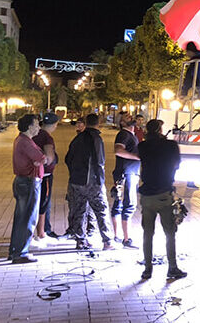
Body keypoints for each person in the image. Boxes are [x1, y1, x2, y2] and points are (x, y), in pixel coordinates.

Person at [137, 119, 186, 280]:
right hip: (164, 193)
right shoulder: (170, 145)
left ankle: (147, 269)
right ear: (160, 129)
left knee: (147, 234)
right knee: (170, 233)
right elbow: (177, 164)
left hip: (146, 196)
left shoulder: (142, 146)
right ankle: (172, 268)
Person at [64, 113, 114, 250]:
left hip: (77, 181)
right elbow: (100, 161)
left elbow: (68, 158)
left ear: (86, 123)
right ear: (99, 122)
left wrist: (74, 173)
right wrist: (100, 179)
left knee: (79, 210)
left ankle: (80, 240)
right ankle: (107, 241)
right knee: (101, 210)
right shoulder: (96, 138)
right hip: (92, 181)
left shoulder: (78, 138)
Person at [8, 114, 47, 264]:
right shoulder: (25, 142)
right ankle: (20, 252)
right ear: (30, 127)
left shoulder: (23, 140)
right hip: (29, 182)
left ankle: (15, 251)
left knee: (22, 217)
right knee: (28, 218)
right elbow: (41, 158)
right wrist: (41, 159)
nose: (38, 127)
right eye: (37, 125)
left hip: (24, 181)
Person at [111, 115, 140, 248]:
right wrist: (137, 157)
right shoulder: (124, 134)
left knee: (119, 204)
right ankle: (126, 239)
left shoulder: (130, 135)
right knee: (129, 205)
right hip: (127, 173)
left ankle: (117, 236)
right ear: (122, 122)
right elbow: (118, 150)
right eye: (126, 117)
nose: (130, 116)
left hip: (126, 173)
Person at [32, 113, 60, 244]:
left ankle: (35, 232)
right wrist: (51, 159)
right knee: (43, 203)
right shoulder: (47, 137)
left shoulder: (35, 134)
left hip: (31, 175)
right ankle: (41, 233)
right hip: (45, 175)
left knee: (34, 203)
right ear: (54, 125)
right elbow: (49, 157)